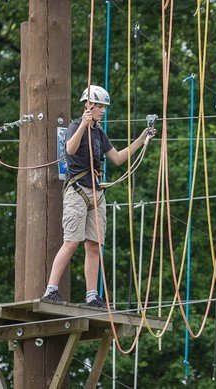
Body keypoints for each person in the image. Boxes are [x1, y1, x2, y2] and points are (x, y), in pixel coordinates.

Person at [42, 85, 155, 307]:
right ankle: (50, 290)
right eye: (99, 106)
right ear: (88, 105)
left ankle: (92, 295)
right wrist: (83, 124)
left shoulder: (99, 134)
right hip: (77, 192)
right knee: (72, 242)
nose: (102, 111)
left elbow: (118, 158)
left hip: (96, 194)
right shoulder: (77, 126)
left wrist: (142, 139)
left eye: (104, 107)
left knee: (94, 245)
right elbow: (70, 150)